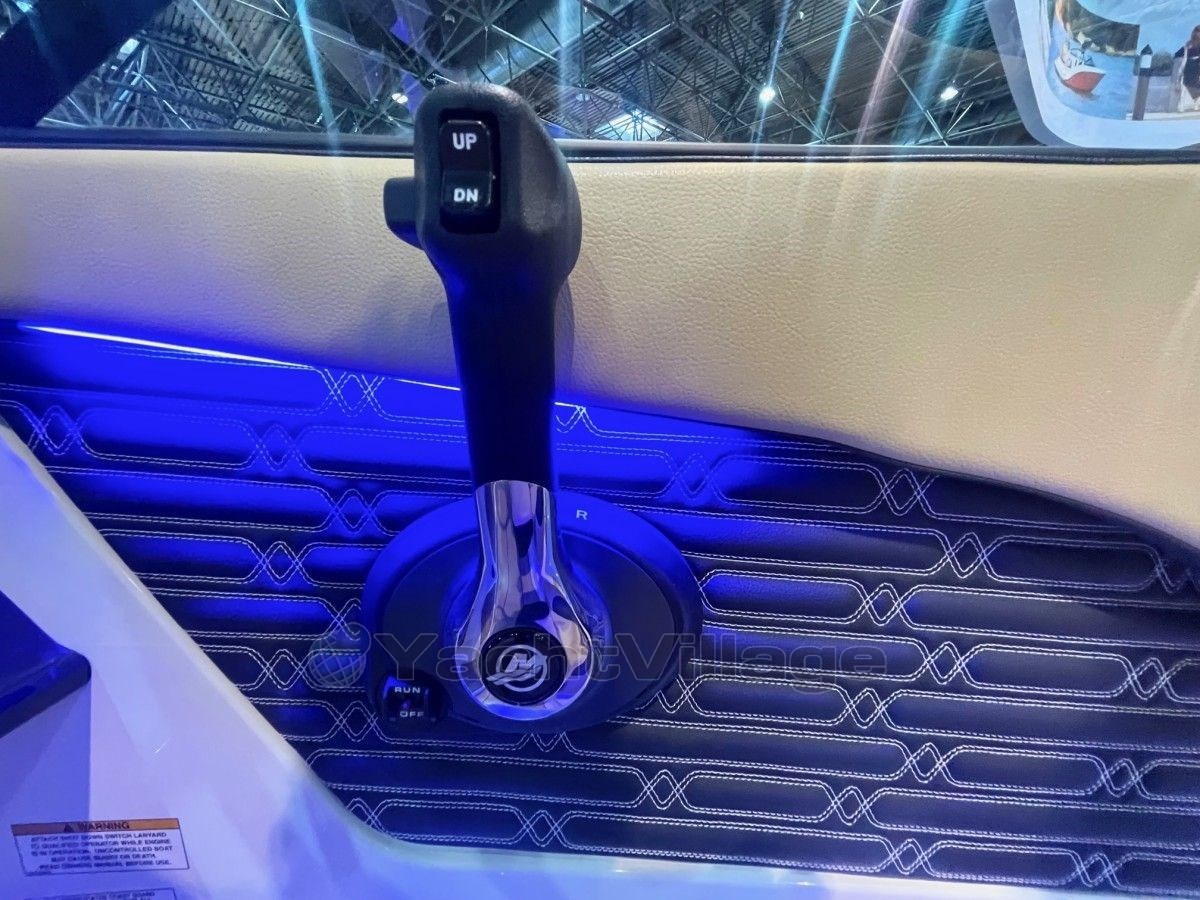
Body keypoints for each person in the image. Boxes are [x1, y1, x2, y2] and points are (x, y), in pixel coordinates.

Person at [1173, 25, 1200, 113]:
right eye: (1197, 33)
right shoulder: (1186, 48)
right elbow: (1180, 65)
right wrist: (1177, 82)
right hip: (1188, 77)